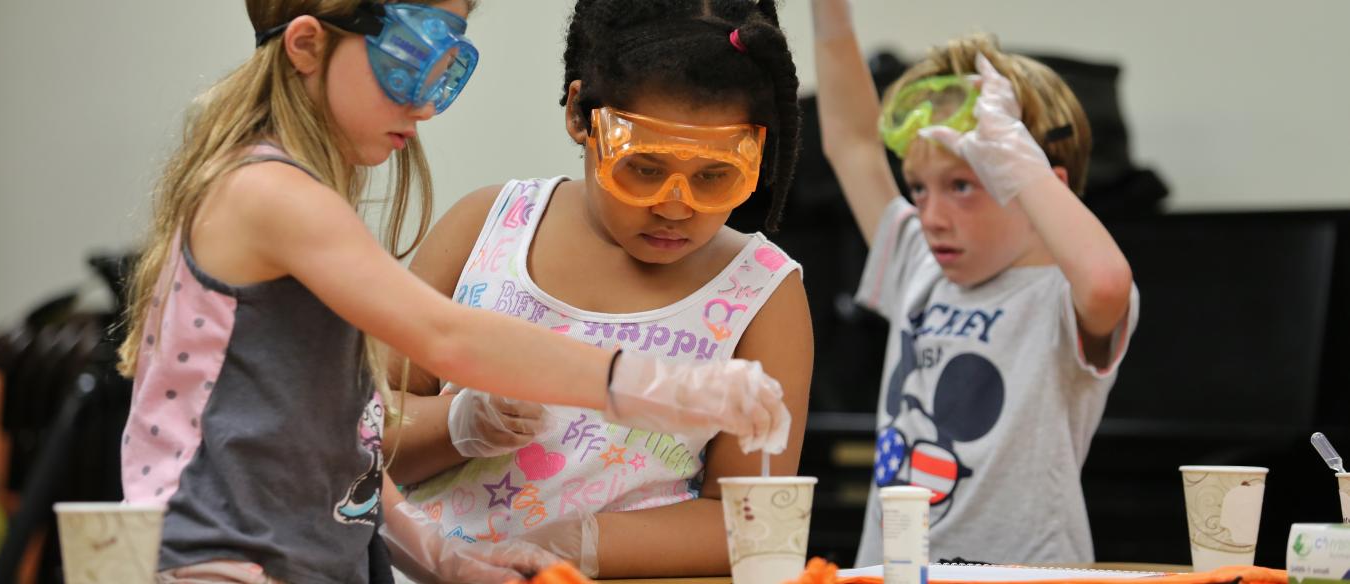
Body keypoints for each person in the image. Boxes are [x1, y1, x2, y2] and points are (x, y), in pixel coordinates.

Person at [115, 1, 790, 582]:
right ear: (306, 44)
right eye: (410, 57)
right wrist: (664, 385)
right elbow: (446, 337)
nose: (425, 101)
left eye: (449, 65)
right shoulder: (269, 194)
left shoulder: (298, 194)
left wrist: (442, 559)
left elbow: (343, 445)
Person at [382, 0, 813, 578]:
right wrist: (459, 423)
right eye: (645, 167)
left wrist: (576, 543)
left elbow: (755, 521)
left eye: (714, 176)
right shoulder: (485, 229)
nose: (674, 205)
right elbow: (355, 435)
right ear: (581, 116)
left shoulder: (762, 293)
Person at [809, 0, 1140, 564]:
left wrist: (1013, 153)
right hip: (893, 572)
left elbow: (1109, 283)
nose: (931, 215)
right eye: (919, 188)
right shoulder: (919, 262)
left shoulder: (1062, 295)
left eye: (963, 185)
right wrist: (830, 13)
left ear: (1041, 184)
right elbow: (852, 142)